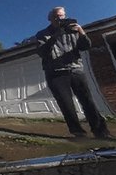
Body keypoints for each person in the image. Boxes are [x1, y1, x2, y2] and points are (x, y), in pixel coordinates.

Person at [36, 7, 110, 139]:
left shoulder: (73, 31)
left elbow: (86, 46)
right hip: (56, 73)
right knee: (66, 104)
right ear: (50, 19)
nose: (60, 19)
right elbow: (42, 52)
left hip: (75, 69)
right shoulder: (42, 34)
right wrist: (56, 35)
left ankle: (101, 132)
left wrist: (81, 31)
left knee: (88, 101)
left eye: (62, 16)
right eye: (56, 17)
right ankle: (78, 132)